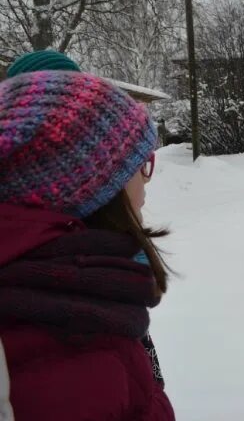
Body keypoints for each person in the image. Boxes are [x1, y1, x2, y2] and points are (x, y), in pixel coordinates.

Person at [0, 70, 174, 420]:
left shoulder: (75, 301)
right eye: (141, 164)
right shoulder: (79, 357)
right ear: (96, 191)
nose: (146, 180)